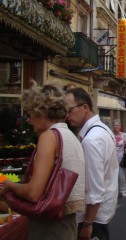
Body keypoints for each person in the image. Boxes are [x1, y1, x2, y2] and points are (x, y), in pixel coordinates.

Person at [0, 83, 85, 240]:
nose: (28, 119)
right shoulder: (71, 137)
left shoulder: (49, 136)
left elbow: (34, 193)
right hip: (66, 223)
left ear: (42, 111)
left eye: (30, 113)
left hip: (49, 227)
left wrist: (9, 184)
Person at [65, 87, 118, 240]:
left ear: (85, 108)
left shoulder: (91, 140)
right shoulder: (102, 130)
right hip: (101, 213)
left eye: (70, 110)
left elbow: (95, 189)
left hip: (93, 218)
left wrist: (88, 224)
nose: (67, 116)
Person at [113, 120, 126, 197]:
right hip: (112, 158)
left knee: (121, 175)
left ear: (120, 127)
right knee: (113, 176)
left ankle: (123, 190)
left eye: (117, 125)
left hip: (121, 157)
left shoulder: (124, 135)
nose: (116, 126)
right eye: (114, 125)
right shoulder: (110, 135)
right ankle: (115, 191)